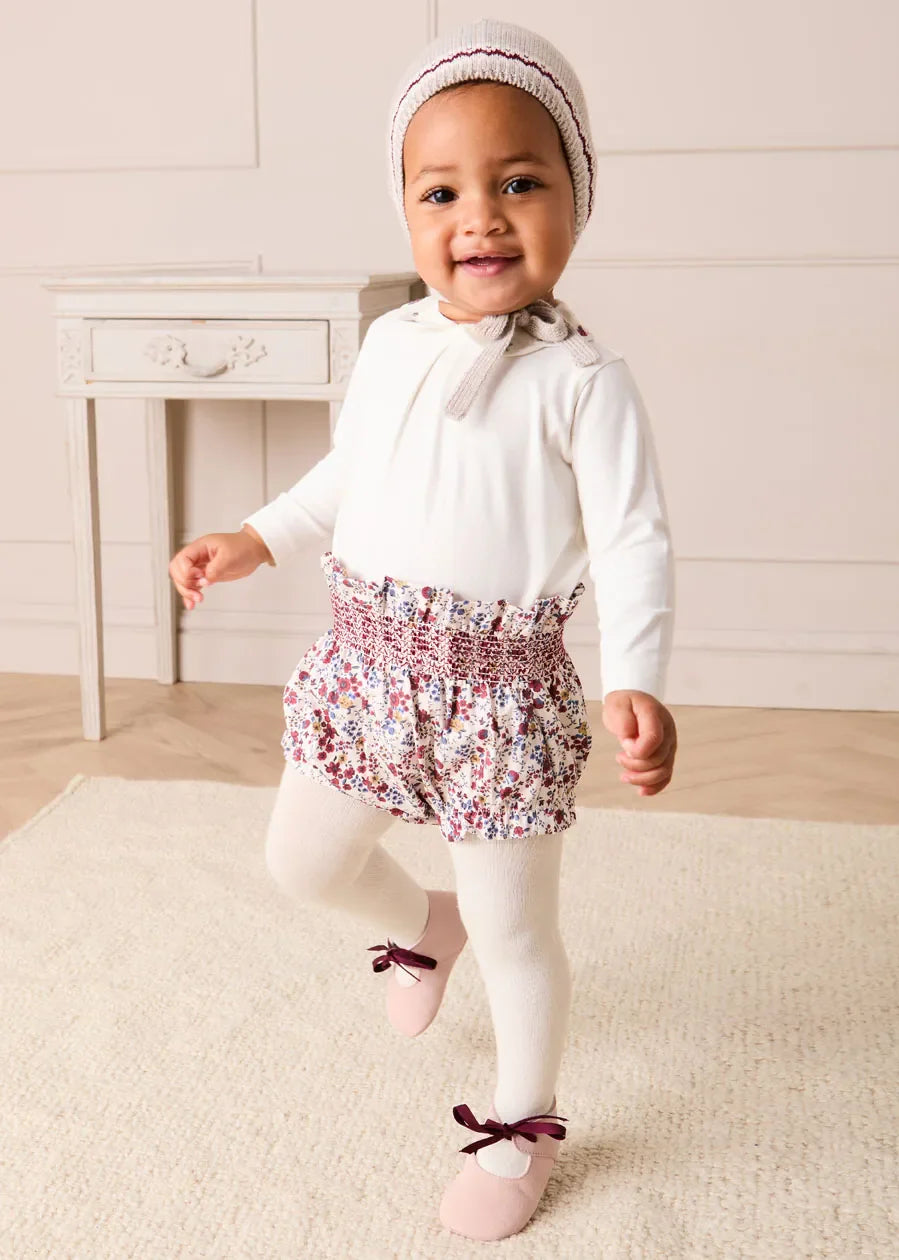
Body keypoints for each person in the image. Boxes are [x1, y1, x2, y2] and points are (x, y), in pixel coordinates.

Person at [169, 17, 678, 1243]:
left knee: (518, 930)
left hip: (501, 700)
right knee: (303, 861)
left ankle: (520, 1122)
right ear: (404, 211)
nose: (480, 218)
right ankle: (419, 925)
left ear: (576, 197)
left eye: (520, 183)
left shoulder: (584, 383)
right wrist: (257, 535)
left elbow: (633, 540)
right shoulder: (392, 345)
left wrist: (638, 676)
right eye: (442, 191)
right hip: (368, 669)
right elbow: (348, 475)